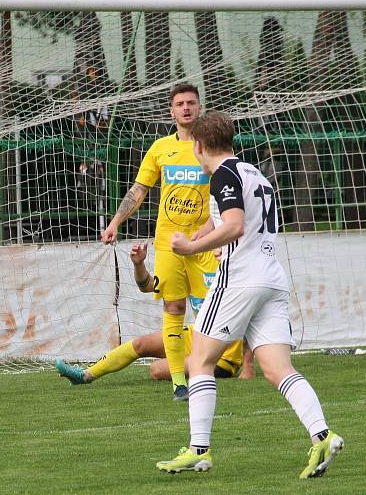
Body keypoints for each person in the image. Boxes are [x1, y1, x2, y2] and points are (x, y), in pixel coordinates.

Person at [155, 111, 344, 478]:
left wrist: (191, 248)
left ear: (198, 145)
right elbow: (230, 218)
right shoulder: (252, 172)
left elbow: (236, 225)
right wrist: (203, 234)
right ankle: (322, 434)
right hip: (272, 279)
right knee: (277, 369)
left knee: (199, 361)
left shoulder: (223, 174)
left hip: (239, 279)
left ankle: (198, 449)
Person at [101, 83, 216, 401]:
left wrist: (211, 229)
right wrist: (114, 223)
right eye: (180, 104)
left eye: (191, 103)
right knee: (174, 307)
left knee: (213, 311)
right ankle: (181, 381)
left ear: (199, 107)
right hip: (168, 242)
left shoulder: (211, 147)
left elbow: (224, 194)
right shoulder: (160, 148)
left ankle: (227, 365)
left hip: (205, 243)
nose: (186, 108)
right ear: (172, 110)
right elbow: (138, 190)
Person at [54, 241, 243, 383]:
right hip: (198, 335)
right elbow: (148, 286)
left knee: (156, 370)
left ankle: (191, 370)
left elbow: (252, 306)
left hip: (223, 355)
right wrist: (139, 265)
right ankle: (85, 375)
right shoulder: (184, 262)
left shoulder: (224, 258)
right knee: (140, 344)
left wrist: (248, 365)